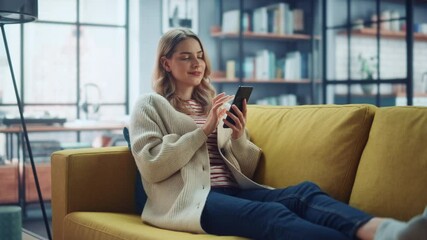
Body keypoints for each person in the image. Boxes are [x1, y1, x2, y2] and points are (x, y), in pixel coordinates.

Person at [129, 28, 427, 240]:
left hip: (234, 191)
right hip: (192, 200)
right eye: (185, 57)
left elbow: (245, 170)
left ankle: (390, 232)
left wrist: (237, 137)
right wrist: (204, 130)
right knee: (272, 218)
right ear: (166, 63)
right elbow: (153, 165)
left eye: (200, 56)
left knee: (304, 194)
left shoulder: (213, 103)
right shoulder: (150, 105)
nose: (197, 63)